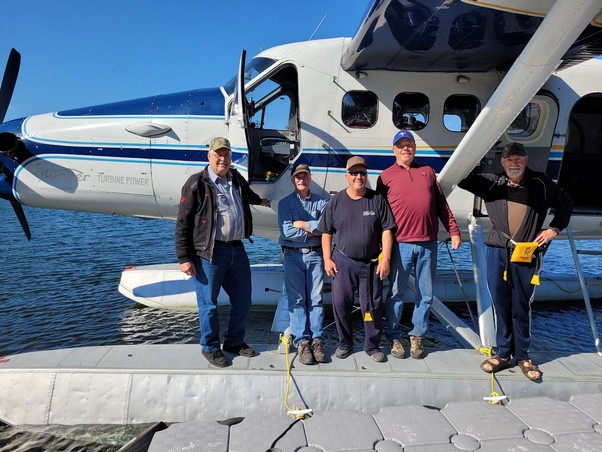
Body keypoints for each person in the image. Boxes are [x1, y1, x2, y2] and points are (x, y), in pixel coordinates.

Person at [459, 142, 573, 381]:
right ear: (502, 162)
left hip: (526, 252)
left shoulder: (541, 183)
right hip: (497, 251)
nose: (514, 163)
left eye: (518, 159)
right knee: (499, 302)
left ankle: (522, 356)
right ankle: (503, 354)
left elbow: (566, 203)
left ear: (526, 160)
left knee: (521, 304)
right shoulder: (492, 182)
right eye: (509, 159)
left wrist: (553, 229)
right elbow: (463, 180)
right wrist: (477, 158)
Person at [175, 137, 271, 367]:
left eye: (227, 155)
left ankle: (234, 341)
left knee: (243, 300)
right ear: (209, 156)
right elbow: (183, 222)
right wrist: (184, 257)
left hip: (236, 249)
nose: (223, 159)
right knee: (209, 303)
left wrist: (261, 201)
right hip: (209, 253)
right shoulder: (196, 183)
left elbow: (246, 194)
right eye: (218, 154)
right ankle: (210, 347)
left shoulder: (235, 177)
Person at [376, 130, 461, 360]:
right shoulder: (385, 177)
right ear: (394, 150)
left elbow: (441, 205)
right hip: (400, 244)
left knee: (426, 293)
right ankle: (394, 336)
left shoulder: (428, 171)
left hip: (428, 244)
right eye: (401, 145)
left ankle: (418, 335)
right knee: (396, 292)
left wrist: (453, 231)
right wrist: (380, 247)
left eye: (410, 144)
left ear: (415, 148)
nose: (406, 148)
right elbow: (380, 214)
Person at [317, 156, 396, 362]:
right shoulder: (336, 201)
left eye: (362, 173)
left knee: (372, 307)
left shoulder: (377, 199)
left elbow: (387, 230)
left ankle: (372, 345)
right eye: (354, 173)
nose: (358, 177)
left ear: (366, 175)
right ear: (347, 176)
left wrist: (385, 259)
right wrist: (327, 259)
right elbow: (326, 232)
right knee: (341, 304)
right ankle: (345, 343)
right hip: (343, 262)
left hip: (370, 264)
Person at [278, 163, 328, 365]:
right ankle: (302, 341)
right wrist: (312, 230)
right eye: (298, 177)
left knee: (316, 298)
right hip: (293, 255)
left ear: (310, 178)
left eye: (305, 176)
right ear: (293, 180)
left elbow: (326, 227)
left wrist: (302, 224)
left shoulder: (322, 202)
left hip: (316, 255)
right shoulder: (284, 203)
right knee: (297, 299)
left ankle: (317, 339)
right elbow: (286, 232)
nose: (302, 180)